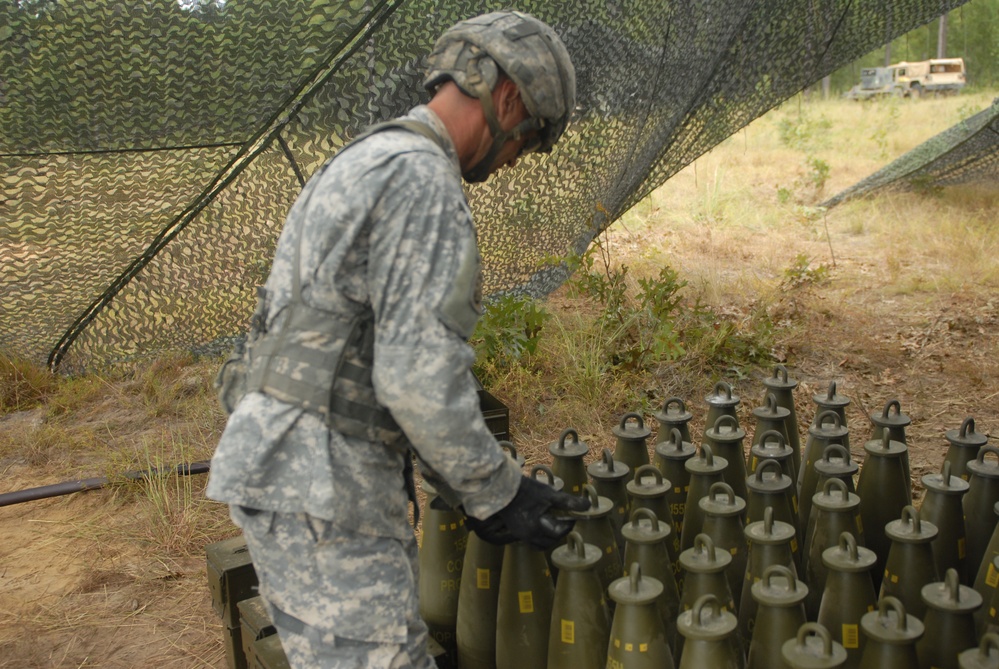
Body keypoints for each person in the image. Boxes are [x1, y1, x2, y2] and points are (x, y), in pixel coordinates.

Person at [207, 10, 588, 669]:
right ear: (507, 98)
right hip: (327, 489)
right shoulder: (423, 183)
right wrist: (498, 492)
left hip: (280, 471)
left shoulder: (362, 159)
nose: (511, 159)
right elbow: (417, 378)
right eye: (527, 139)